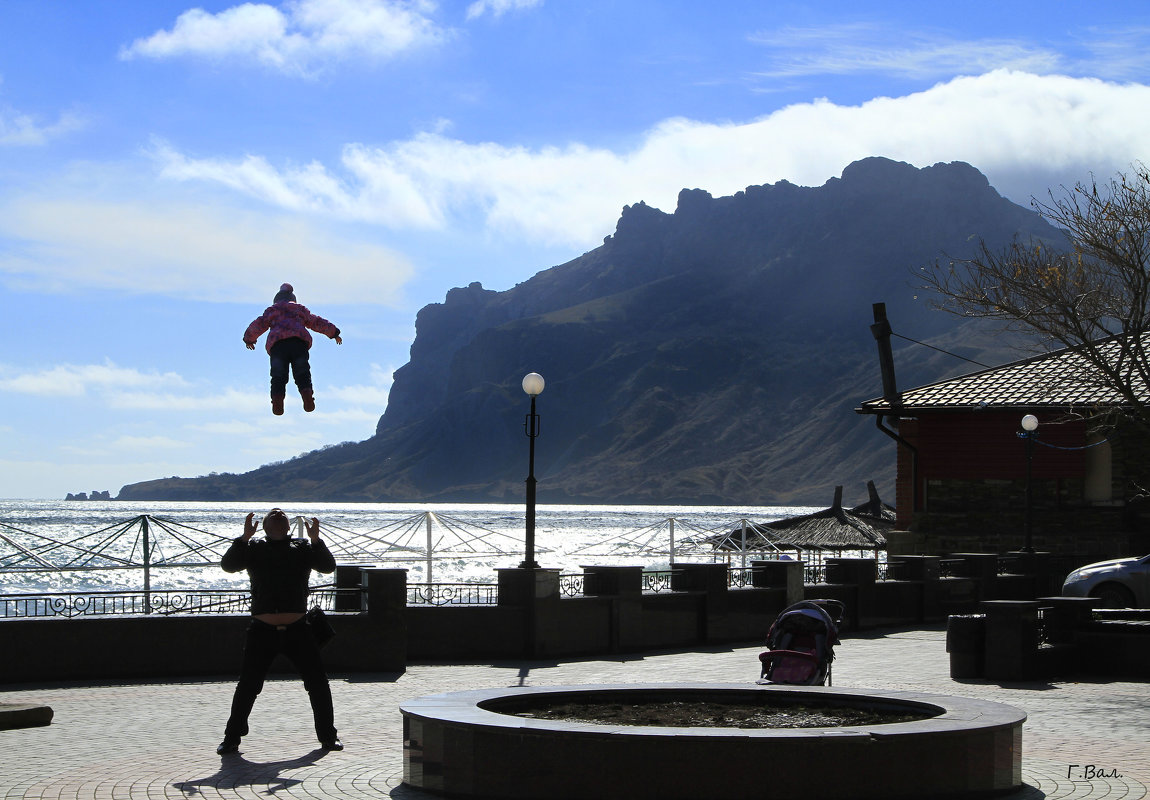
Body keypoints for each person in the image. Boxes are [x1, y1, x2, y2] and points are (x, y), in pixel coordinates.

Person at [217, 508, 341, 755]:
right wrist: (243, 538)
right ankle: (232, 738)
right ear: (264, 527)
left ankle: (328, 737)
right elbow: (228, 566)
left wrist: (316, 540)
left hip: (298, 630)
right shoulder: (253, 548)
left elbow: (328, 567)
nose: (277, 512)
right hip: (262, 631)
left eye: (281, 514)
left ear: (287, 526)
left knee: (318, 684)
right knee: (248, 685)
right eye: (273, 514)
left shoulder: (303, 547)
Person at [244, 283, 342, 416]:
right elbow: (316, 322)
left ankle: (277, 401)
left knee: (278, 375)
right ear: (293, 299)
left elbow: (258, 325)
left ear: (276, 300)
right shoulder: (299, 310)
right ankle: (307, 394)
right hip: (298, 344)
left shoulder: (272, 311)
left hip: (278, 346)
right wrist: (334, 333)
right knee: (302, 372)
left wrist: (249, 339)